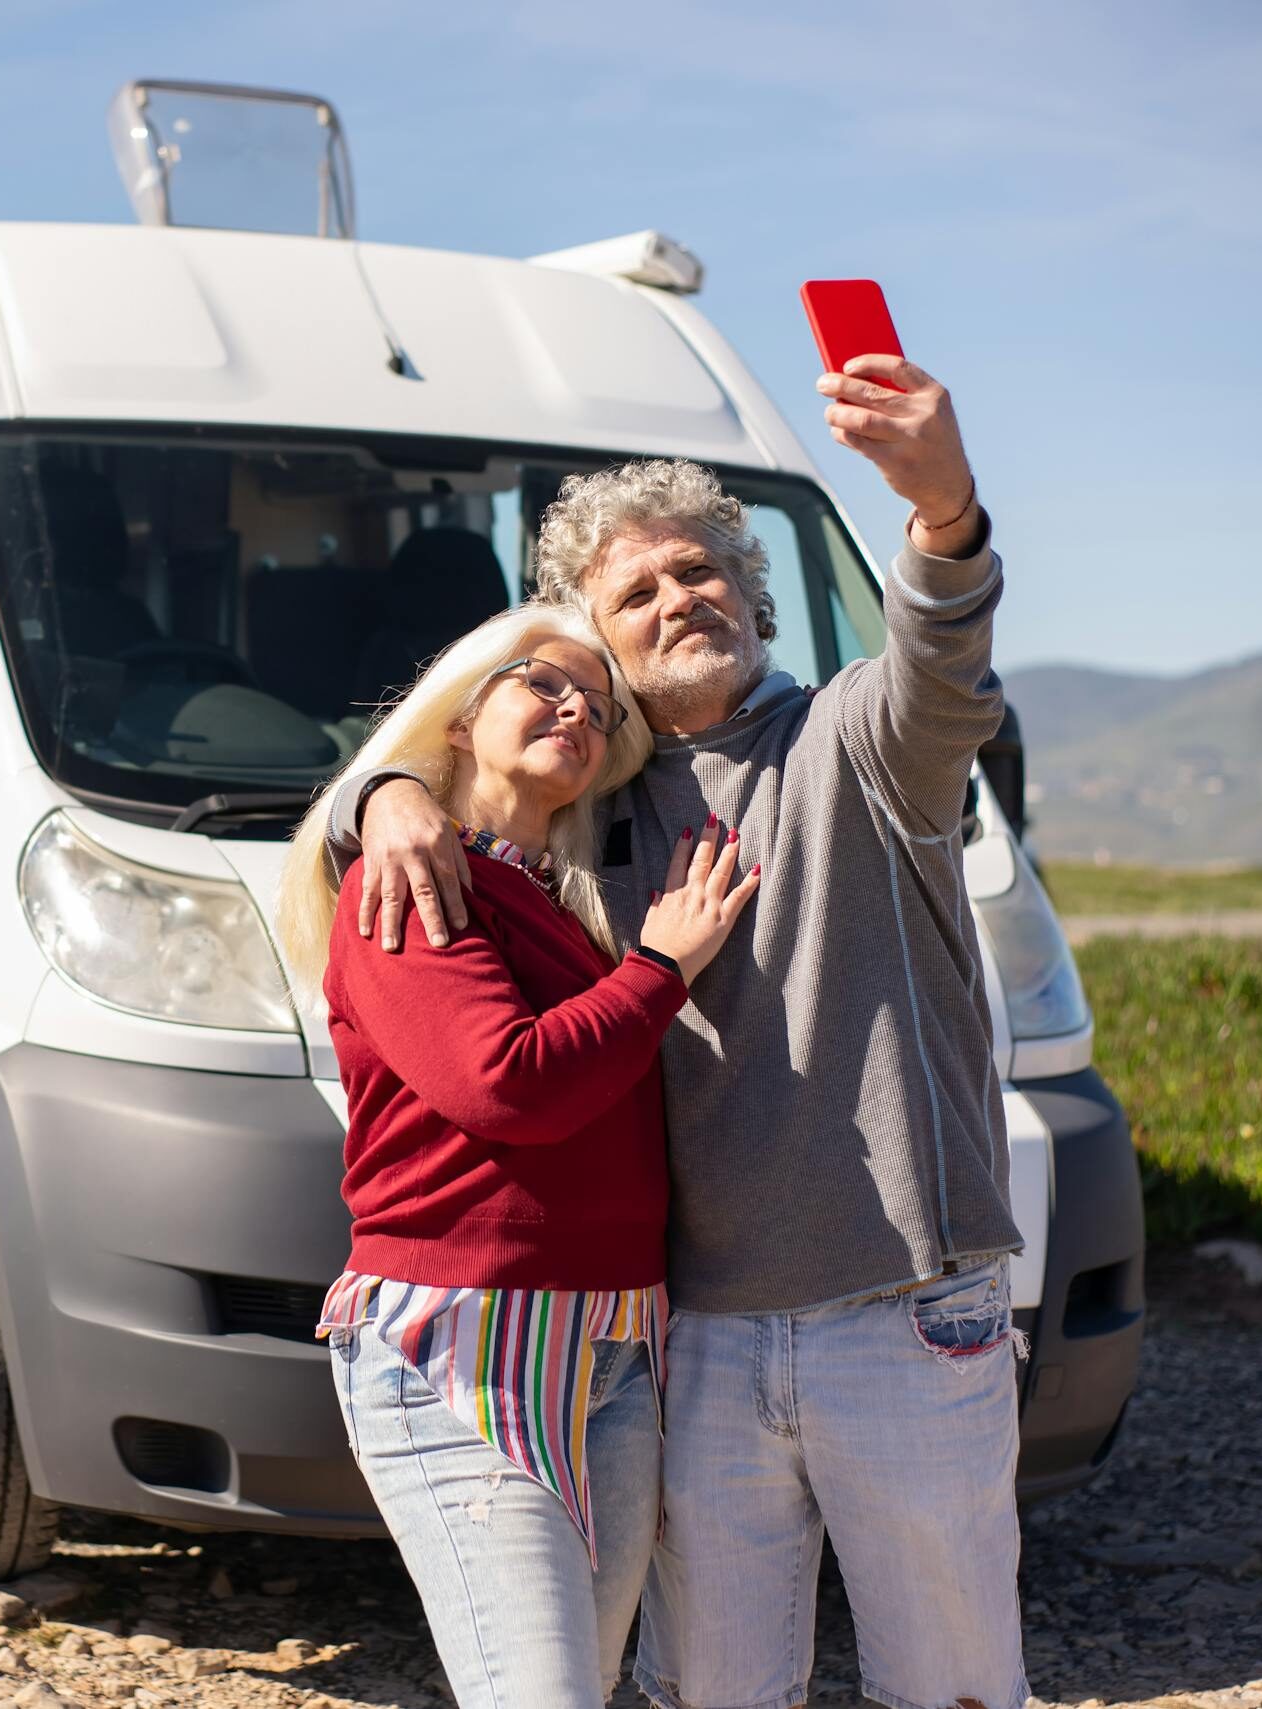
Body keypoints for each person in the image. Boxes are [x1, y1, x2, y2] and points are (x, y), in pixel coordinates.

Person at [326, 355, 1031, 1709]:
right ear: (603, 654)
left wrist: (943, 511)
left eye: (699, 571)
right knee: (709, 1690)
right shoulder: (595, 818)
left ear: (751, 596)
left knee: (948, 1684)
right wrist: (391, 791)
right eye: (632, 595)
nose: (677, 598)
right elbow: (476, 782)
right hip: (688, 1331)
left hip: (901, 1308)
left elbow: (940, 653)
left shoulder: (862, 743)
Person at [275, 602, 761, 1708]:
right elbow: (509, 1084)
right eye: (544, 683)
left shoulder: (566, 905)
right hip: (464, 1342)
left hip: (613, 1343)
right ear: (458, 713)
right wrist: (660, 970)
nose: (575, 707)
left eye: (597, 705)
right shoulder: (406, 878)